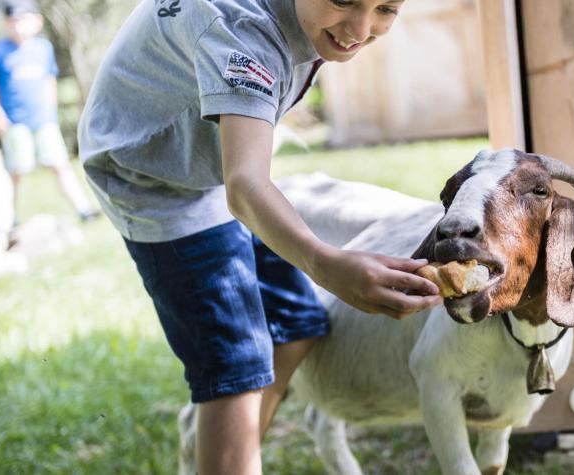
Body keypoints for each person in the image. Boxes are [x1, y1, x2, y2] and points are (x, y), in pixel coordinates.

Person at [77, 0, 440, 473]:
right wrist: (324, 262)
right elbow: (246, 187)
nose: (360, 27)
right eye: (344, 0)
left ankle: (227, 454)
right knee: (238, 365)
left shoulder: (311, 20)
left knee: (294, 323)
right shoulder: (242, 32)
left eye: (385, 8)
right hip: (152, 180)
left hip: (209, 173)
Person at [0, 0, 99, 225]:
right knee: (17, 170)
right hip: (14, 122)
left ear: (37, 22)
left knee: (59, 164)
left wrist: (51, 109)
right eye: (13, 21)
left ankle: (84, 209)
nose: (18, 26)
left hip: (43, 120)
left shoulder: (43, 48)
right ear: (6, 23)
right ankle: (10, 218)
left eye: (23, 20)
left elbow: (49, 79)